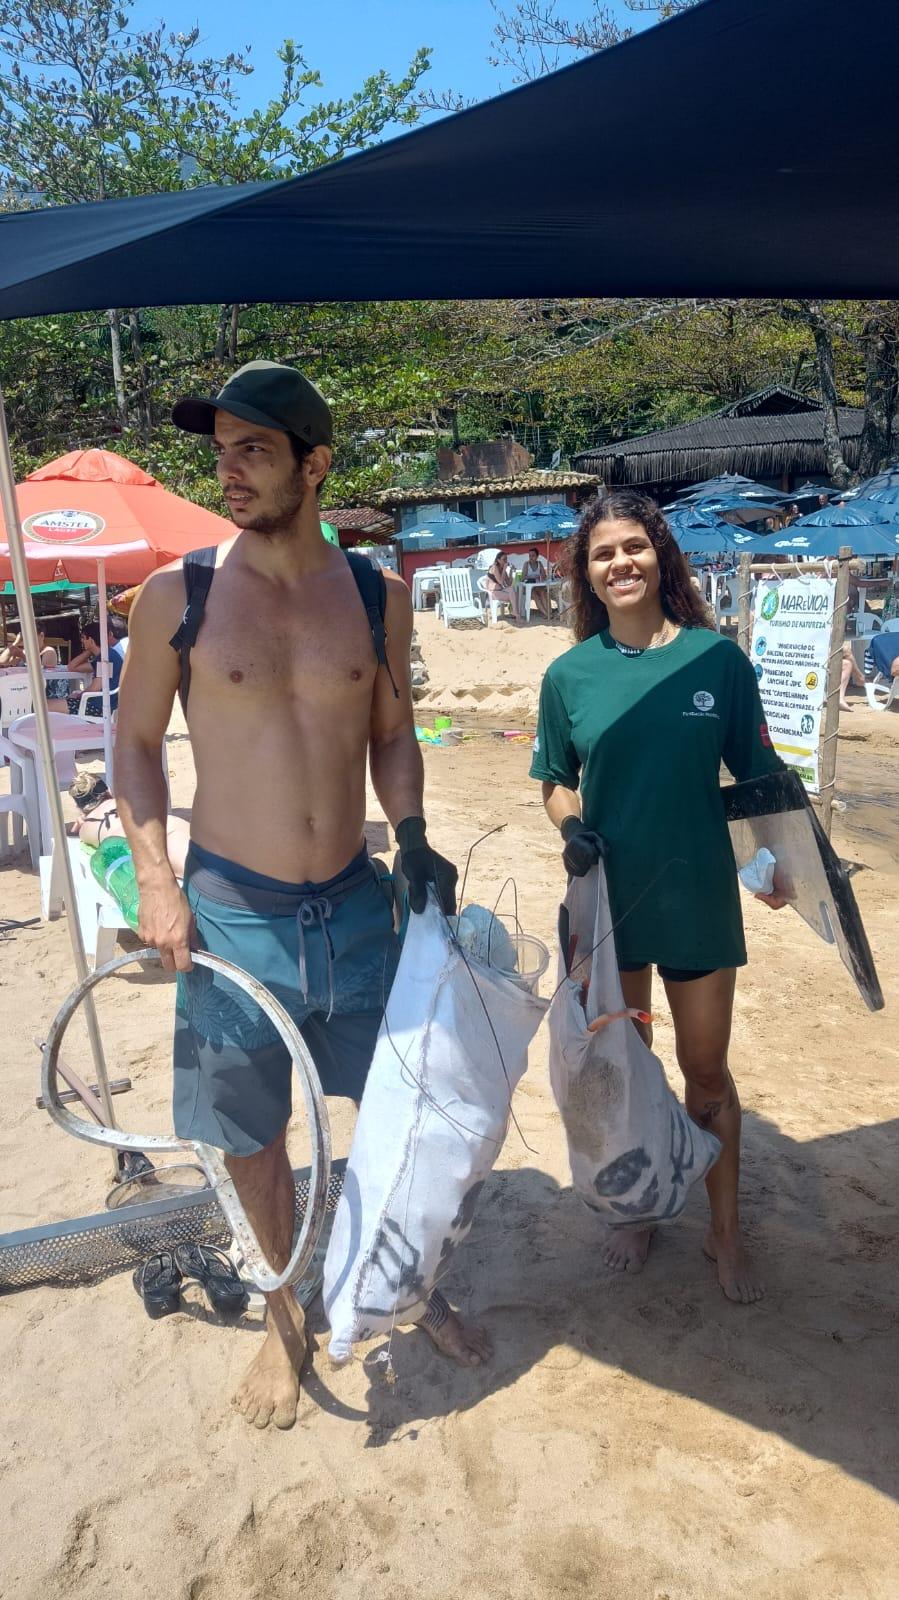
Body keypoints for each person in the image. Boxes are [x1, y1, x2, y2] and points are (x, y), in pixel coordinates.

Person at [115, 359, 489, 1432]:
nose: (228, 472)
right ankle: (284, 1317)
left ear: (313, 464)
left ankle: (406, 1286)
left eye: (254, 450)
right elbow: (134, 747)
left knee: (401, 1114)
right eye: (221, 451)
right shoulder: (179, 596)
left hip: (357, 906)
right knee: (252, 1136)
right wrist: (156, 880)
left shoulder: (377, 597)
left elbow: (392, 735)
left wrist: (412, 834)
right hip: (232, 909)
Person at [530, 489, 788, 1305]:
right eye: (603, 553)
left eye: (634, 547)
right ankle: (637, 1210)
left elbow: (760, 776)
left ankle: (723, 1230)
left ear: (660, 555)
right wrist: (570, 827)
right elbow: (553, 779)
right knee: (623, 1066)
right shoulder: (569, 675)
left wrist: (781, 863)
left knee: (703, 1072)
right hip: (609, 903)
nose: (621, 563)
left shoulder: (717, 661)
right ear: (587, 572)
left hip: (698, 895)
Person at [67, 772, 190, 877]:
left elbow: (73, 834)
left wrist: (83, 820)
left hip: (134, 844)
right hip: (168, 825)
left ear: (79, 807)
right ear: (108, 791)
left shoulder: (86, 829)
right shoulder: (126, 799)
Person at [0, 628, 68, 710]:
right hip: (25, 693)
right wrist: (15, 643)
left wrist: (23, 656)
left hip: (46, 697)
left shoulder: (49, 652)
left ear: (41, 635)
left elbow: (41, 674)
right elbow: (2, 661)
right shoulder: (26, 651)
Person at [69, 620, 128, 711]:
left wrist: (79, 695)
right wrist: (90, 650)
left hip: (99, 707)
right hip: (98, 704)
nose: (82, 640)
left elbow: (96, 687)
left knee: (49, 706)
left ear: (91, 639)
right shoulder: (104, 656)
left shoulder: (106, 658)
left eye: (83, 637)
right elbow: (72, 667)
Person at [485, 550, 519, 620]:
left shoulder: (503, 569)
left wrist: (511, 572)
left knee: (513, 591)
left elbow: (509, 583)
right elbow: (500, 581)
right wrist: (504, 570)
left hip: (500, 591)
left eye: (506, 559)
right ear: (498, 560)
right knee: (514, 596)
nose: (506, 561)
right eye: (504, 559)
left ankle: (514, 611)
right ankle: (515, 612)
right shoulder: (494, 567)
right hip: (493, 593)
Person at [520, 546, 551, 619]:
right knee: (535, 596)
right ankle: (547, 614)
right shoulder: (526, 564)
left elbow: (544, 576)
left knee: (543, 593)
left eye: (533, 555)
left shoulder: (539, 563)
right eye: (530, 556)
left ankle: (549, 612)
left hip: (537, 586)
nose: (531, 557)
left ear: (537, 556)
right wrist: (533, 578)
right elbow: (523, 577)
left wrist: (542, 575)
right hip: (528, 587)